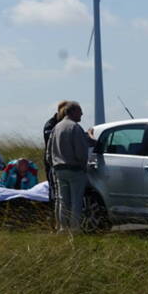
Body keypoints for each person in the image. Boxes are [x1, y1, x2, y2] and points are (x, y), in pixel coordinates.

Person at [46, 101, 93, 233]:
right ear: (72, 112)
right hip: (75, 169)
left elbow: (48, 152)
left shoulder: (56, 127)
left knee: (62, 200)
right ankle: (74, 228)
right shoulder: (75, 128)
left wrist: (53, 165)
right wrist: (83, 165)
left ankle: (62, 228)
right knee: (76, 201)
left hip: (58, 169)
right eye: (80, 111)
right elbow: (81, 152)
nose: (82, 114)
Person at [43, 100, 70, 229]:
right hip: (52, 165)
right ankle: (54, 222)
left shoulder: (61, 123)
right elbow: (53, 138)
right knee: (54, 194)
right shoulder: (50, 125)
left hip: (61, 164)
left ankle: (63, 221)